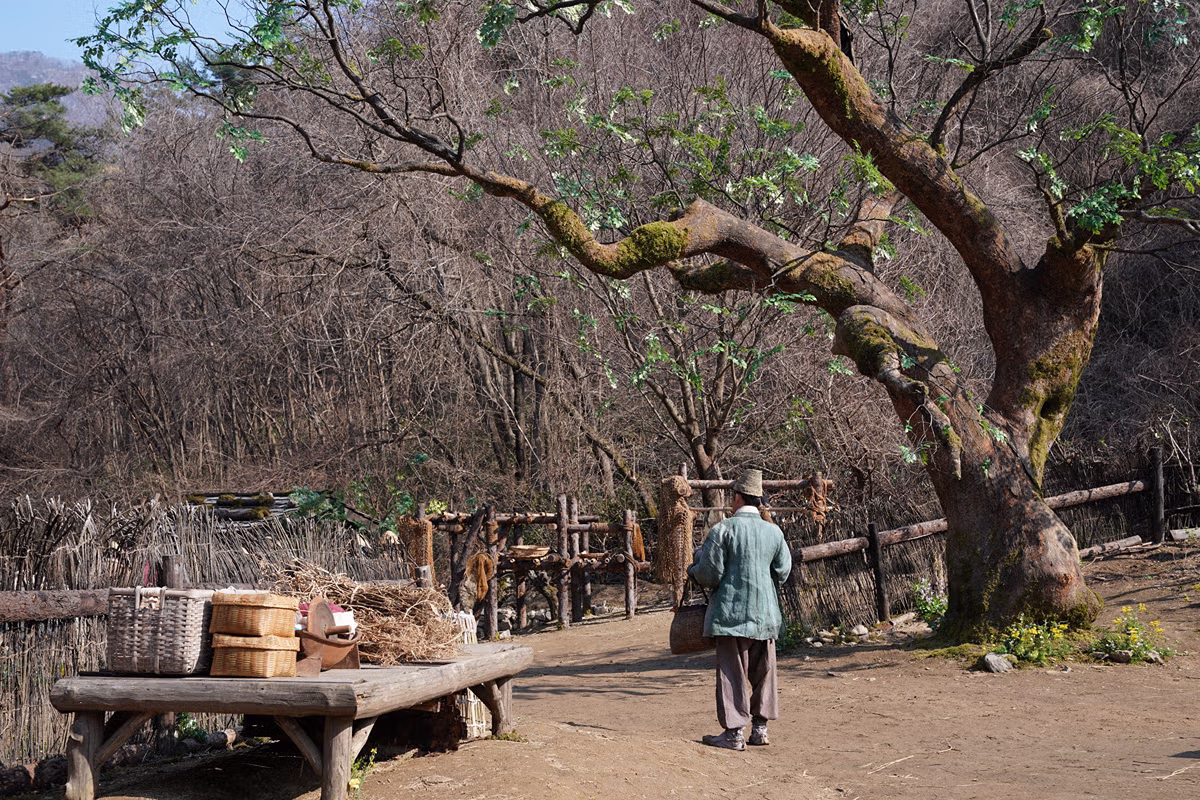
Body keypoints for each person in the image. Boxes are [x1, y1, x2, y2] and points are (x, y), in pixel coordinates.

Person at [687, 468, 792, 750]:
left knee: (732, 673)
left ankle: (734, 733)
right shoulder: (774, 532)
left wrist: (693, 568)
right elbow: (783, 572)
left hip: (730, 615)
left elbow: (709, 575)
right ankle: (760, 730)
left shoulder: (722, 530)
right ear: (758, 500)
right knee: (765, 672)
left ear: (736, 498)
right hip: (766, 614)